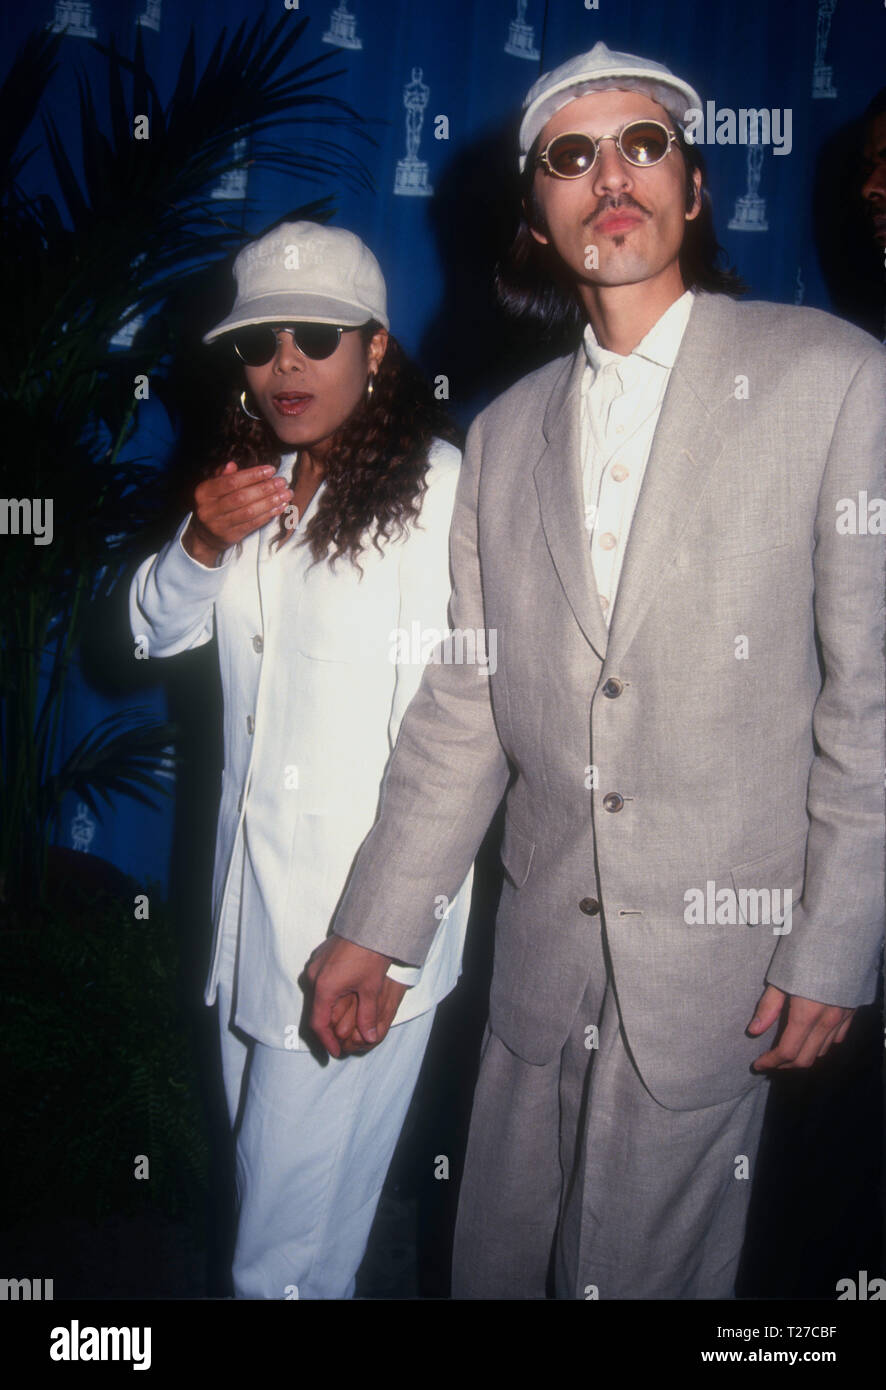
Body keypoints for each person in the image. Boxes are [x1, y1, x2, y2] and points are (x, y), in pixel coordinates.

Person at [307, 43, 886, 1299]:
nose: (608, 174)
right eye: (571, 156)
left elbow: (872, 698)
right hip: (541, 967)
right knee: (498, 1264)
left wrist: (834, 944)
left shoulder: (835, 378)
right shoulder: (502, 440)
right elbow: (467, 705)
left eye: (643, 147)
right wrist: (375, 925)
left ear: (691, 192)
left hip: (722, 974)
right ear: (536, 217)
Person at [129, 221, 473, 1299]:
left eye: (314, 337)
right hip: (252, 917)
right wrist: (201, 543)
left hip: (355, 930)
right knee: (292, 1226)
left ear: (376, 350)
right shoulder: (254, 486)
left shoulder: (438, 489)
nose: (283, 365)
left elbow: (458, 732)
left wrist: (378, 933)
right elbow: (147, 633)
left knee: (280, 1248)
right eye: (259, 340)